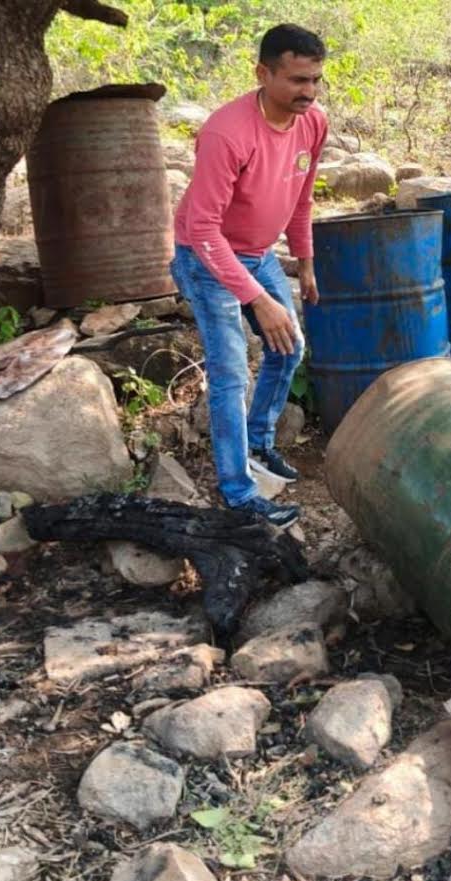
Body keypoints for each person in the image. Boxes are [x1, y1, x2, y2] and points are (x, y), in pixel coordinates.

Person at [170, 23, 328, 529]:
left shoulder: (312, 122)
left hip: (258, 253)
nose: (309, 92)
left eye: (315, 80)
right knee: (231, 373)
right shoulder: (227, 133)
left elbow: (301, 199)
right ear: (263, 73)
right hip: (205, 256)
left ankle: (258, 443)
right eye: (297, 80)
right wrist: (258, 299)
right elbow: (202, 228)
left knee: (289, 348)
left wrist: (304, 262)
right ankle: (239, 493)